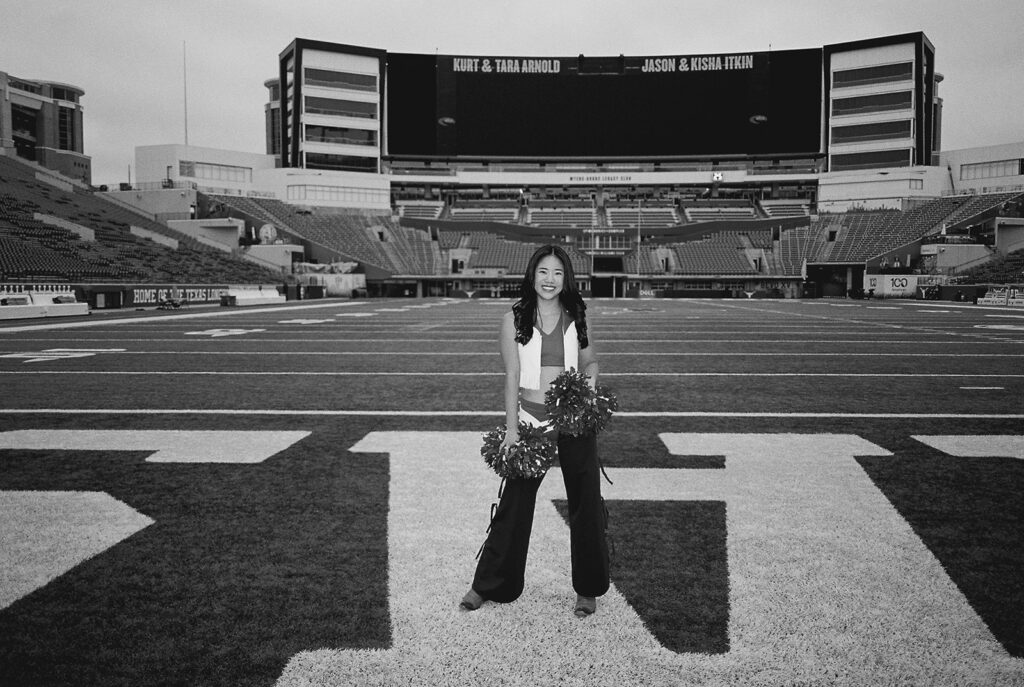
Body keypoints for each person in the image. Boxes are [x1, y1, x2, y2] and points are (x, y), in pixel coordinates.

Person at [460, 244, 610, 618]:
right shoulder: (514, 317)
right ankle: (489, 584)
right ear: (532, 274)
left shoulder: (577, 313)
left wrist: (589, 387)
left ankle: (587, 589)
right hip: (531, 420)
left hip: (573, 418)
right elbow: (511, 376)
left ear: (566, 278)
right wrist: (512, 430)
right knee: (515, 504)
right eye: (543, 272)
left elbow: (590, 362)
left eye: (557, 273)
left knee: (585, 502)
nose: (550, 280)